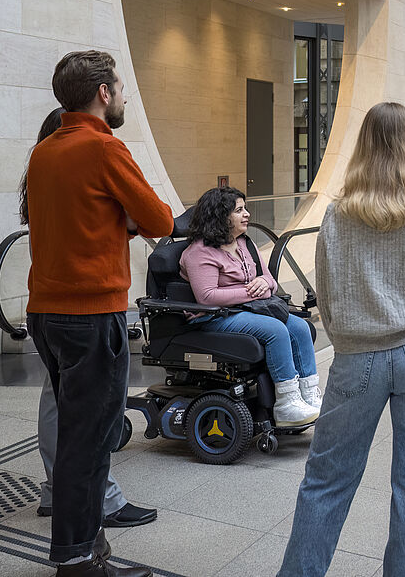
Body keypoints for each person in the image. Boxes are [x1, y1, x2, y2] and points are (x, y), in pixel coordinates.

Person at [277, 102, 405, 576]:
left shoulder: (337, 215)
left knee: (326, 480)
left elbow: (327, 296)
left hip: (357, 356)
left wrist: (351, 339)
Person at [26, 50, 174, 576]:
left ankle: (89, 549)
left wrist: (116, 221)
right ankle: (78, 561)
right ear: (103, 93)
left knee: (76, 435)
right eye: (121, 88)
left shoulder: (43, 152)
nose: (125, 97)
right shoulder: (106, 148)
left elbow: (72, 221)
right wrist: (129, 222)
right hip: (91, 315)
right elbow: (160, 221)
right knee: (88, 445)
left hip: (46, 313)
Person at [19, 107, 157, 529]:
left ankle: (57, 492)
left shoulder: (41, 165)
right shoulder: (95, 153)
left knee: (58, 400)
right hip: (83, 308)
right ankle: (99, 504)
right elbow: (154, 218)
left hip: (45, 304)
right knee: (86, 417)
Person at [179, 186, 321, 426]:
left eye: (245, 209)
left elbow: (269, 280)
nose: (247, 214)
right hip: (213, 317)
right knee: (275, 330)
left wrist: (264, 283)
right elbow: (207, 297)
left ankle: (308, 396)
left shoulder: (245, 243)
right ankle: (287, 403)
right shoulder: (199, 252)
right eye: (239, 210)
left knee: (299, 327)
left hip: (246, 309)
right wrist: (251, 291)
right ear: (220, 215)